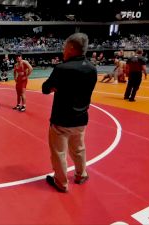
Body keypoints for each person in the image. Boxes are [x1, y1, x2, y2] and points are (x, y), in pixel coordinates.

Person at [42, 33, 97, 193]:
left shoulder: (62, 68)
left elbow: (46, 88)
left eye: (65, 46)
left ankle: (61, 182)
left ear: (71, 48)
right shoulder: (92, 69)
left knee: (59, 152)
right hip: (81, 118)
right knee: (79, 148)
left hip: (62, 119)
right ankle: (81, 174)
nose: (63, 49)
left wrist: (55, 87)